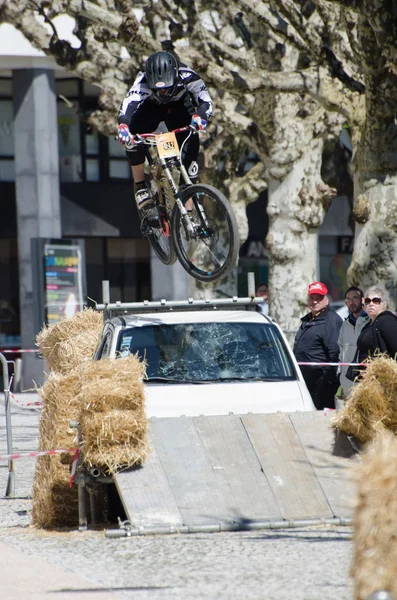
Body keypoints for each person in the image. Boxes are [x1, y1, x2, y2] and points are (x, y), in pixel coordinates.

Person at [117, 51, 213, 220]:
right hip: (150, 109)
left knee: (191, 149)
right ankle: (140, 186)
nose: (164, 93)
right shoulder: (143, 81)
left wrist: (202, 117)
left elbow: (205, 101)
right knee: (132, 136)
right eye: (158, 90)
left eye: (167, 88)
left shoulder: (188, 76)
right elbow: (128, 105)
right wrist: (123, 126)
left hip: (180, 109)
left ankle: (187, 215)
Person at [293, 281, 343, 410]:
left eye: (319, 298)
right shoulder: (309, 319)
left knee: (322, 417)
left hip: (321, 381)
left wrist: (327, 380)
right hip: (305, 379)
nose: (315, 302)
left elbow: (335, 352)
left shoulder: (331, 320)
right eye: (312, 298)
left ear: (326, 300)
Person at [338, 286, 370, 398]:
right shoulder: (344, 325)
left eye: (355, 298)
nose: (352, 302)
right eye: (348, 299)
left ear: (362, 300)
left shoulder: (370, 321)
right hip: (347, 382)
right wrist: (340, 375)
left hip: (366, 382)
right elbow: (340, 352)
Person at [356, 285, 397, 362]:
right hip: (366, 372)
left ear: (385, 303)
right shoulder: (368, 325)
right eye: (368, 301)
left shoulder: (387, 320)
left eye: (376, 301)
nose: (371, 304)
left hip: (381, 372)